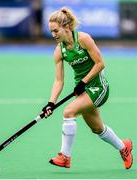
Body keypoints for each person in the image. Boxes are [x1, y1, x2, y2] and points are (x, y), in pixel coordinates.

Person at [41, 7, 133, 169]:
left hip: (98, 87)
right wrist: (51, 103)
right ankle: (124, 147)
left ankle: (65, 157)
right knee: (98, 129)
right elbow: (58, 81)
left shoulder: (83, 39)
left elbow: (100, 64)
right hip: (82, 90)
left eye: (56, 31)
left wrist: (83, 82)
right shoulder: (59, 51)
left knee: (68, 112)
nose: (53, 35)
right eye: (51, 32)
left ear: (67, 27)